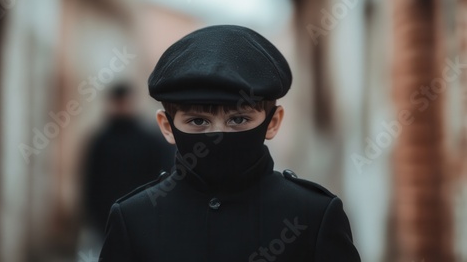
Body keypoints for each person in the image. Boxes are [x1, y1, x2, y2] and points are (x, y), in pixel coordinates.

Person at [99, 25, 360, 261]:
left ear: (272, 122)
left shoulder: (313, 215)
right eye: (198, 122)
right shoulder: (133, 219)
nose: (217, 137)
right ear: (167, 127)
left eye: (239, 119)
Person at [83, 83, 175, 233]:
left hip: (142, 211)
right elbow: (92, 179)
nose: (122, 107)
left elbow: (162, 175)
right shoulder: (102, 140)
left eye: (125, 102)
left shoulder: (149, 139)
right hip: (107, 213)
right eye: (119, 103)